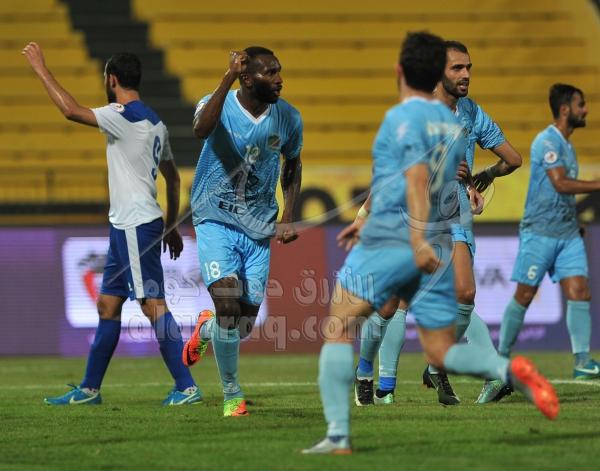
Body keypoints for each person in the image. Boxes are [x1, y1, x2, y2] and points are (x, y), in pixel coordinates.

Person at [302, 32, 558, 455]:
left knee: (339, 324)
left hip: (402, 233)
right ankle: (504, 369)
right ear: (435, 73)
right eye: (459, 67)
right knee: (439, 347)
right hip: (443, 233)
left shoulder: (404, 118)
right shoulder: (451, 122)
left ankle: (339, 434)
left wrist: (371, 221)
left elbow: (408, 178)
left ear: (401, 71)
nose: (466, 74)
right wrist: (469, 191)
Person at [21, 44, 201, 406]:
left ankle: (186, 387)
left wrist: (40, 68)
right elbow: (174, 179)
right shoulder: (157, 123)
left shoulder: (122, 115)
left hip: (136, 225)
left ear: (112, 80)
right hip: (128, 227)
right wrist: (171, 226)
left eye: (106, 78)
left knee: (153, 304)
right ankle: (89, 390)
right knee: (107, 305)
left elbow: (71, 110)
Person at [348, 41, 522, 407]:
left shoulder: (471, 112)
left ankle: (434, 366)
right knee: (390, 305)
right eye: (457, 68)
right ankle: (366, 374)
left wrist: (479, 178)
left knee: (465, 295)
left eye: (468, 67)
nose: (466, 74)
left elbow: (513, 159)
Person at [182, 47, 303, 417]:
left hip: (259, 227)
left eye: (279, 71)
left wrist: (288, 215)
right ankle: (232, 394)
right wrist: (227, 77)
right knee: (228, 307)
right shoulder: (217, 104)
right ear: (247, 79)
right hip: (214, 218)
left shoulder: (288, 118)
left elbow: (293, 163)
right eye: (271, 73)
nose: (279, 80)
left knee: (243, 324)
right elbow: (200, 129)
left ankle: (206, 330)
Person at [499, 84, 600, 378]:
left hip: (567, 235)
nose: (586, 110)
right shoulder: (546, 141)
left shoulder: (568, 146)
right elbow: (560, 183)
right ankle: (499, 359)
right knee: (525, 295)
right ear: (565, 109)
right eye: (581, 104)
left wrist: (572, 219)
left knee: (580, 292)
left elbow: (559, 194)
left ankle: (582, 362)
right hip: (539, 232)